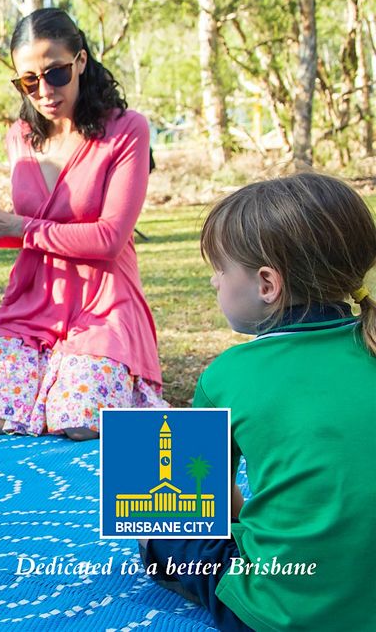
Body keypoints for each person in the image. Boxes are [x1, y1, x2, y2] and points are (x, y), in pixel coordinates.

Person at [140, 173, 376, 632]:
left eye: (220, 269)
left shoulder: (228, 375)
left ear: (267, 283)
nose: (213, 281)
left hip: (279, 608)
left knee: (157, 521)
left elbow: (199, 502)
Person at [0, 8, 165, 440]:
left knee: (79, 423)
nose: (43, 90)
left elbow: (110, 238)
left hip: (103, 304)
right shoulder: (19, 135)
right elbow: (26, 229)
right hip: (33, 303)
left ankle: (102, 385)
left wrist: (19, 227)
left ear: (80, 61)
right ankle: (55, 380)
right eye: (28, 80)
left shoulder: (126, 130)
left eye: (55, 73)